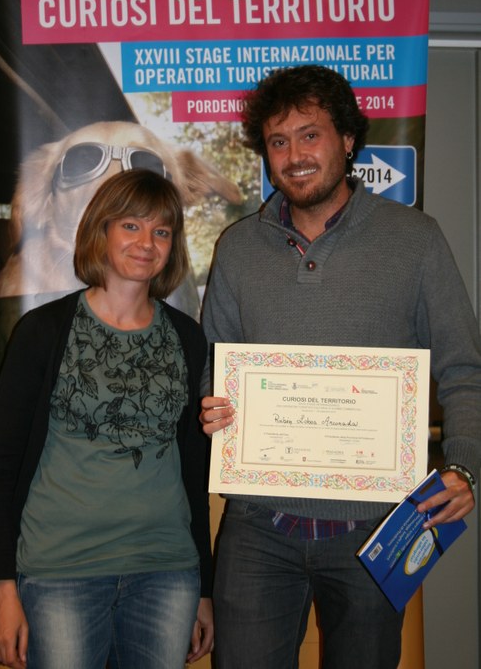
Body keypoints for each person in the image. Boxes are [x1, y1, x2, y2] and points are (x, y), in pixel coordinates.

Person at [200, 64, 481, 669]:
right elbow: (212, 364)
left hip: (375, 530)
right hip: (257, 528)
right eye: (279, 141)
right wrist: (214, 406)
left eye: (310, 135)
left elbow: (465, 368)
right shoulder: (237, 247)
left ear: (348, 139)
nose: (294, 155)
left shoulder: (416, 239)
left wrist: (464, 466)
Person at [0, 169, 213, 669]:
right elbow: (0, 468)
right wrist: (2, 588)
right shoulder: (42, 331)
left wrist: (205, 589)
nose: (146, 243)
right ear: (100, 230)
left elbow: (193, 473)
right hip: (60, 572)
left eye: (161, 231)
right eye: (131, 225)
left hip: (167, 572)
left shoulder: (188, 338)